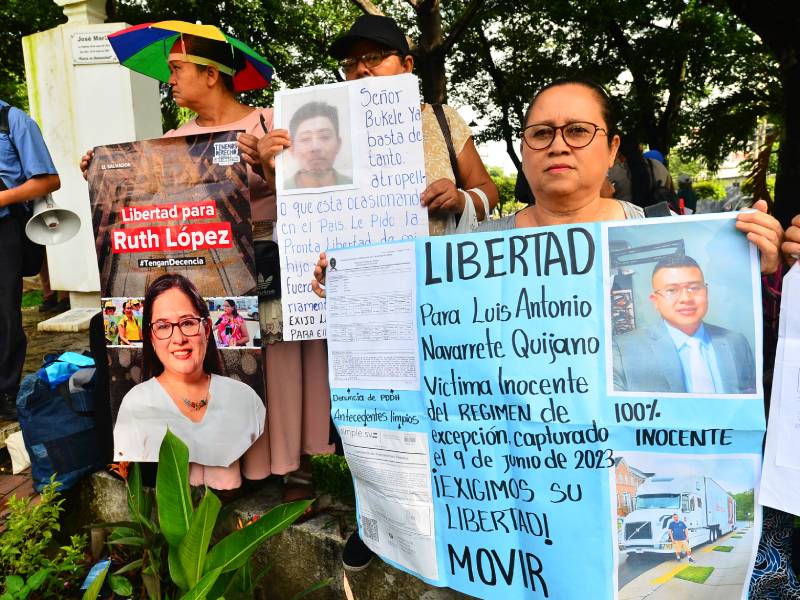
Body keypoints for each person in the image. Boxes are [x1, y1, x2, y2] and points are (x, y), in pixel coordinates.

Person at [312, 76, 784, 570]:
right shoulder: (471, 251)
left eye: (578, 130)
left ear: (611, 149)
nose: (558, 144)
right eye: (541, 133)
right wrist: (351, 288)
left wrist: (760, 270)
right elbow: (421, 339)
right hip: (512, 501)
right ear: (524, 148)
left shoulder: (661, 234)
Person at [81, 33, 279, 489]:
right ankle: (166, 461)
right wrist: (102, 171)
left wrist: (268, 164)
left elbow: (306, 191)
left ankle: (263, 466)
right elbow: (146, 201)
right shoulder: (172, 141)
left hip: (260, 269)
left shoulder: (267, 123)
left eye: (177, 69)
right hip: (191, 271)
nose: (169, 79)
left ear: (211, 75)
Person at [254, 14, 499, 235]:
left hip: (434, 278)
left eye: (374, 57)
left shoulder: (442, 119)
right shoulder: (328, 132)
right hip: (354, 277)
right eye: (350, 62)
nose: (361, 69)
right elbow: (306, 214)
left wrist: (460, 200)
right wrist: (272, 169)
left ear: (407, 66)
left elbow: (488, 190)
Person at [113, 273, 265, 490]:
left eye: (187, 322)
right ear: (151, 337)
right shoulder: (137, 403)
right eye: (163, 326)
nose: (178, 339)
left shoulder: (244, 398)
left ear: (205, 328)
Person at [612, 254, 756, 394]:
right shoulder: (622, 349)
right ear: (655, 301)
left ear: (706, 292)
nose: (686, 298)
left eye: (694, 288)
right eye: (671, 290)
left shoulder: (736, 342)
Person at [0, 100, 60, 419]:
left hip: (6, 226)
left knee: (5, 313)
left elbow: (49, 181)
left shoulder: (14, 121)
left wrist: (3, 197)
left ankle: (7, 390)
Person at [284, 101, 352, 189]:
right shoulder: (278, 190)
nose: (315, 147)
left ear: (338, 144)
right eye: (305, 138)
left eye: (324, 137)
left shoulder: (358, 187)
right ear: (292, 148)